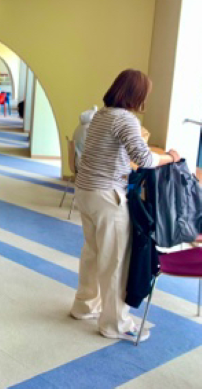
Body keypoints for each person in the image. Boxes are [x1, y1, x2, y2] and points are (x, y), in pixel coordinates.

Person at [71, 69, 181, 343]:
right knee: (115, 261)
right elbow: (144, 159)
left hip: (85, 191)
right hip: (107, 196)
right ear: (136, 94)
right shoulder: (125, 119)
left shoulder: (101, 115)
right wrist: (170, 157)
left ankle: (85, 306)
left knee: (93, 252)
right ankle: (115, 324)